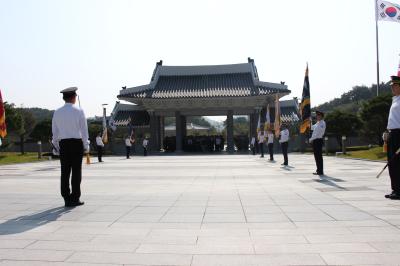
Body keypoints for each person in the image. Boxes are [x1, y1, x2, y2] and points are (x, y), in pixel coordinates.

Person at [52, 87, 88, 207]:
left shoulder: (57, 112)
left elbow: (55, 132)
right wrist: (86, 145)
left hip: (64, 144)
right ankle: (75, 197)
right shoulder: (79, 111)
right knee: (76, 172)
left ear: (64, 98)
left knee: (65, 172)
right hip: (76, 144)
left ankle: (66, 198)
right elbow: (84, 131)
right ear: (73, 97)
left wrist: (56, 146)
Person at [385, 75, 400, 200]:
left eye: (395, 86)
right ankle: (395, 189)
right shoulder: (395, 99)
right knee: (391, 163)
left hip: (399, 134)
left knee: (397, 163)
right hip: (392, 134)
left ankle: (399, 190)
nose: (392, 88)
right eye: (392, 86)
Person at [310, 111, 326, 175]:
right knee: (316, 156)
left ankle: (320, 171)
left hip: (318, 140)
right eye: (317, 115)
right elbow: (311, 128)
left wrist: (311, 139)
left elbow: (317, 133)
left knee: (319, 156)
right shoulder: (318, 123)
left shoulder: (322, 123)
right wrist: (310, 121)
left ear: (321, 116)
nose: (317, 116)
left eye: (318, 115)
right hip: (315, 141)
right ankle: (318, 170)